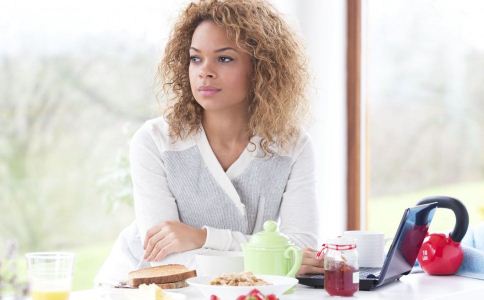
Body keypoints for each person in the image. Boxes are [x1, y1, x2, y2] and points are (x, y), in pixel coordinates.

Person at [95, 0, 322, 286]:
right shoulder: (155, 141)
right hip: (137, 288)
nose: (205, 71)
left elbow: (302, 249)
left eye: (224, 58)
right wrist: (272, 259)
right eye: (195, 58)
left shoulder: (293, 146)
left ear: (261, 68)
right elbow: (167, 263)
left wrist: (201, 237)